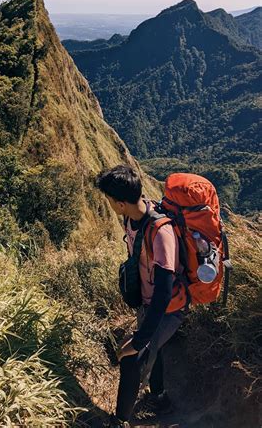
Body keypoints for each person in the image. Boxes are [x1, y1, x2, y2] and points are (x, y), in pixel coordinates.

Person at [96, 165, 185, 428]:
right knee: (152, 348)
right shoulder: (133, 217)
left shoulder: (161, 234)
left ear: (120, 203)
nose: (110, 205)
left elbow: (164, 293)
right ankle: (160, 398)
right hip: (148, 303)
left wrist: (139, 340)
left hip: (169, 308)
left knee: (131, 358)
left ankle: (120, 421)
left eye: (110, 201)